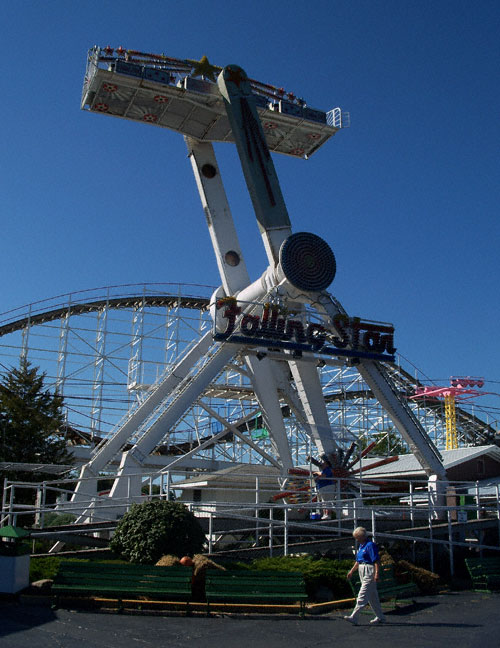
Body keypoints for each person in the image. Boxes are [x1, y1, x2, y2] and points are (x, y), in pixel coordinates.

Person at [344, 526, 386, 625]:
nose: (356, 540)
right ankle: (380, 617)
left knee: (362, 594)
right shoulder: (361, 546)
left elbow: (375, 560)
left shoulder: (370, 545)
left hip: (369, 570)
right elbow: (358, 561)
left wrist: (376, 573)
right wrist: (351, 571)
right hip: (362, 569)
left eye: (357, 537)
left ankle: (354, 616)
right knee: (372, 596)